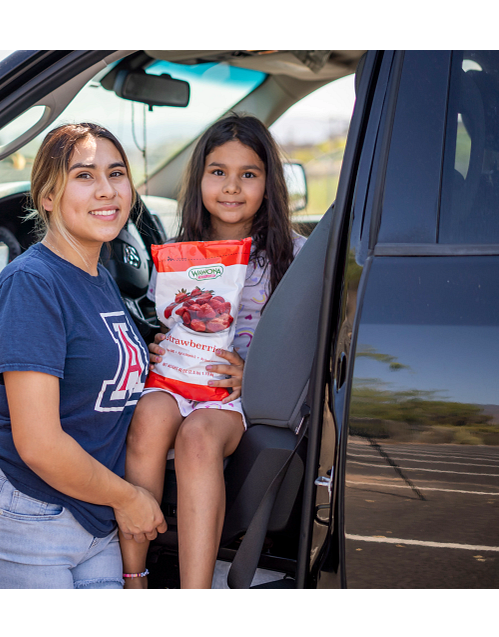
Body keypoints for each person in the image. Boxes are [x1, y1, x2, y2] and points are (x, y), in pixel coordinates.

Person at [0, 122, 166, 589]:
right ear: (47, 196)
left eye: (117, 173)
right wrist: (130, 499)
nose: (107, 190)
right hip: (25, 521)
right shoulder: (33, 283)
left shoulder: (100, 278)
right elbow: (40, 444)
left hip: (94, 523)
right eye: (85, 176)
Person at [119, 114, 306, 588]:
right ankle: (133, 576)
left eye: (249, 174)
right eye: (218, 171)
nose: (232, 187)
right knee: (148, 417)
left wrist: (258, 376)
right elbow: (173, 321)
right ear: (199, 177)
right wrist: (162, 345)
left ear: (270, 183)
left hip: (239, 396)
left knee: (197, 437)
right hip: (178, 380)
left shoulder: (292, 257)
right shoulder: (178, 254)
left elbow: (308, 349)